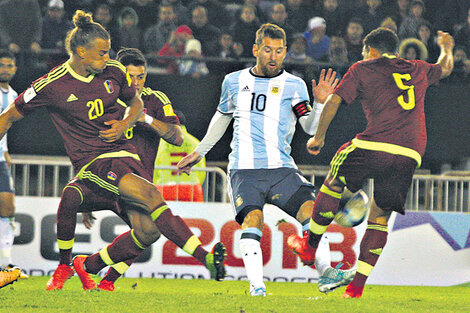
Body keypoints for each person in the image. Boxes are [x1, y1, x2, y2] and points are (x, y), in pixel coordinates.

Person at [0, 10, 226, 291]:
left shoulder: (115, 72)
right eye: (102, 53)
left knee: (148, 230)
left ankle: (89, 266)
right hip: (92, 161)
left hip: (124, 155)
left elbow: (136, 104)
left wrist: (125, 124)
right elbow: (8, 116)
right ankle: (205, 258)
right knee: (139, 195)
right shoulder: (52, 84)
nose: (108, 59)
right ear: (81, 52)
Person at [177, 23, 356, 296]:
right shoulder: (234, 81)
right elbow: (222, 118)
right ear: (256, 50)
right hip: (244, 170)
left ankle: (326, 274)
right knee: (254, 220)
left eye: (279, 51)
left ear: (285, 53)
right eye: (268, 50)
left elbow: (309, 127)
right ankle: (257, 287)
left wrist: (320, 103)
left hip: (281, 169)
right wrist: (199, 152)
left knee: (312, 213)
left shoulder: (294, 86)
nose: (273, 57)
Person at [287, 27, 454, 298]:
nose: (364, 55)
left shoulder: (364, 67)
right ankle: (355, 289)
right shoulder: (418, 68)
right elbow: (444, 68)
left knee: (334, 178)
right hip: (411, 153)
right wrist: (446, 47)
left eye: (365, 52)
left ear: (371, 50)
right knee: (379, 217)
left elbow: (334, 100)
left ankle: (310, 246)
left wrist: (318, 137)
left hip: (375, 143)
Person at [0, 51, 27, 280]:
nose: (5, 69)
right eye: (1, 65)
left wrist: (5, 150)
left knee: (7, 207)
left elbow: (5, 126)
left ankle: (5, 263)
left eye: (9, 65)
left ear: (15, 69)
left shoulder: (15, 95)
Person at [154, 110, 206, 202]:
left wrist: (157, 184)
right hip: (191, 188)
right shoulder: (194, 142)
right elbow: (201, 170)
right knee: (195, 216)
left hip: (165, 188)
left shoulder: (159, 144)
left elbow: (154, 168)